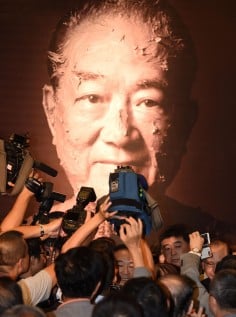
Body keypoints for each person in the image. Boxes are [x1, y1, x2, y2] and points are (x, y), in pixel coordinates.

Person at [42, 0, 197, 218]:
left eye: (147, 102)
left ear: (185, 123)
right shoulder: (24, 242)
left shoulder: (212, 245)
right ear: (52, 111)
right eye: (92, 98)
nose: (119, 134)